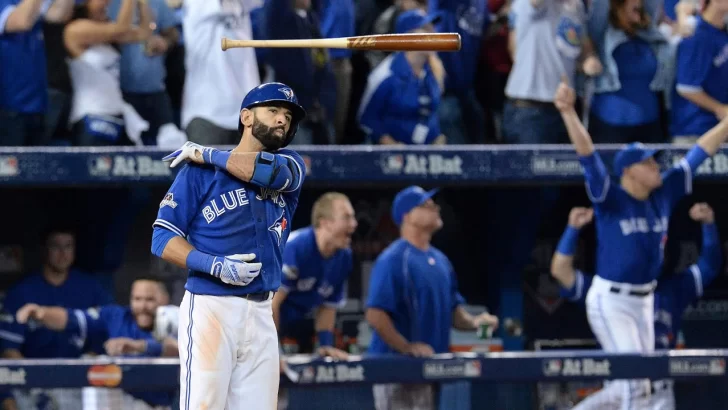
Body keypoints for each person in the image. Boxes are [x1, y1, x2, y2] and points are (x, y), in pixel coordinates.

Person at [554, 77, 728, 409]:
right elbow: (587, 154)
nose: (655, 165)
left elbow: (699, 153)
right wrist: (568, 113)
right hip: (612, 300)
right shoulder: (611, 198)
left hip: (644, 301)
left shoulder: (664, 192)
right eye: (647, 162)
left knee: (635, 386)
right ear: (629, 172)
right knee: (636, 384)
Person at [150, 82, 307, 410]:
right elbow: (162, 239)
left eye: (288, 116)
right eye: (274, 110)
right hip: (211, 306)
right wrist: (214, 264)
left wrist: (205, 152)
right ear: (246, 117)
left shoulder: (291, 167)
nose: (282, 120)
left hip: (263, 312)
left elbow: (253, 169)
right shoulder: (198, 173)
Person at [550, 203, 722, 410]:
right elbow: (560, 270)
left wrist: (709, 224)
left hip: (656, 395)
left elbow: (710, 266)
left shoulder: (674, 289)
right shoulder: (606, 290)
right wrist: (573, 228)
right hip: (616, 389)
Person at [365, 186, 499, 410]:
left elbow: (454, 311)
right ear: (406, 216)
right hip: (396, 368)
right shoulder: (394, 258)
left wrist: (475, 323)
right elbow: (375, 314)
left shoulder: (441, 260)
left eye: (434, 204)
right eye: (425, 206)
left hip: (430, 367)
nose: (435, 208)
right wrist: (406, 346)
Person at [14, 278, 179, 410]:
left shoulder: (179, 316)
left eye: (150, 300)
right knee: (99, 365)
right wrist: (42, 313)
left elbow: (177, 349)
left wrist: (138, 346)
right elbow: (74, 319)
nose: (142, 306)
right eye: (137, 299)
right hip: (127, 400)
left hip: (168, 403)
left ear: (164, 299)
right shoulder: (117, 316)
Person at [273, 192, 357, 409]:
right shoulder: (296, 246)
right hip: (257, 321)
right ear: (325, 223)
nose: (354, 224)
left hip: (298, 325)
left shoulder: (344, 257)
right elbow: (270, 304)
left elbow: (328, 306)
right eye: (346, 217)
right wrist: (272, 352)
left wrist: (326, 346)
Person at [64, 0, 152, 146]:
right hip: (91, 116)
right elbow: (121, 28)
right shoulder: (74, 30)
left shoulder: (108, 34)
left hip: (117, 114)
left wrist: (142, 3)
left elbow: (144, 33)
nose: (107, 3)